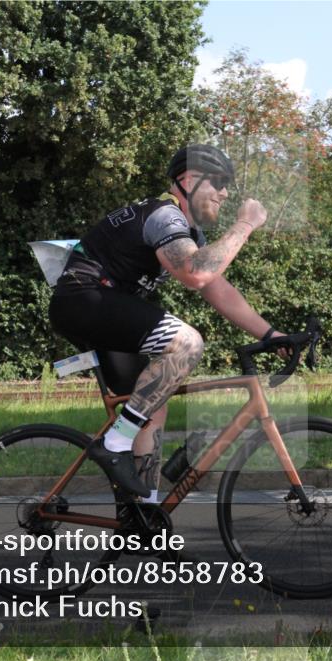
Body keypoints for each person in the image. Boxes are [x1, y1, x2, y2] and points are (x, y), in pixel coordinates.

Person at [47, 144, 288, 499]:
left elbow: (217, 288)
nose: (224, 193)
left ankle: (142, 512)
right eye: (218, 182)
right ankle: (115, 445)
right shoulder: (165, 216)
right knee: (186, 342)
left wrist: (271, 334)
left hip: (103, 306)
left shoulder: (189, 233)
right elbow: (196, 274)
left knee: (151, 404)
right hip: (83, 298)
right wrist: (245, 223)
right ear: (189, 180)